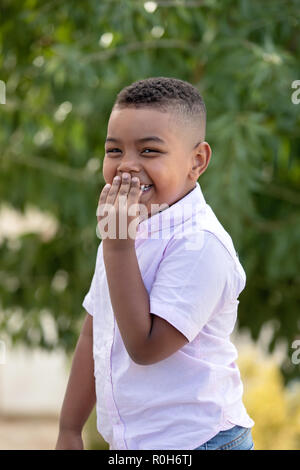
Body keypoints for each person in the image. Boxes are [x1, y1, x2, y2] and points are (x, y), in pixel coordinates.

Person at [55, 77, 255, 451]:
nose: (127, 165)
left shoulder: (201, 245)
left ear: (197, 161)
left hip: (201, 442)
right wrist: (69, 428)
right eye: (114, 150)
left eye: (149, 151)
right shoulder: (124, 225)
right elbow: (96, 328)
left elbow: (145, 347)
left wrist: (116, 245)